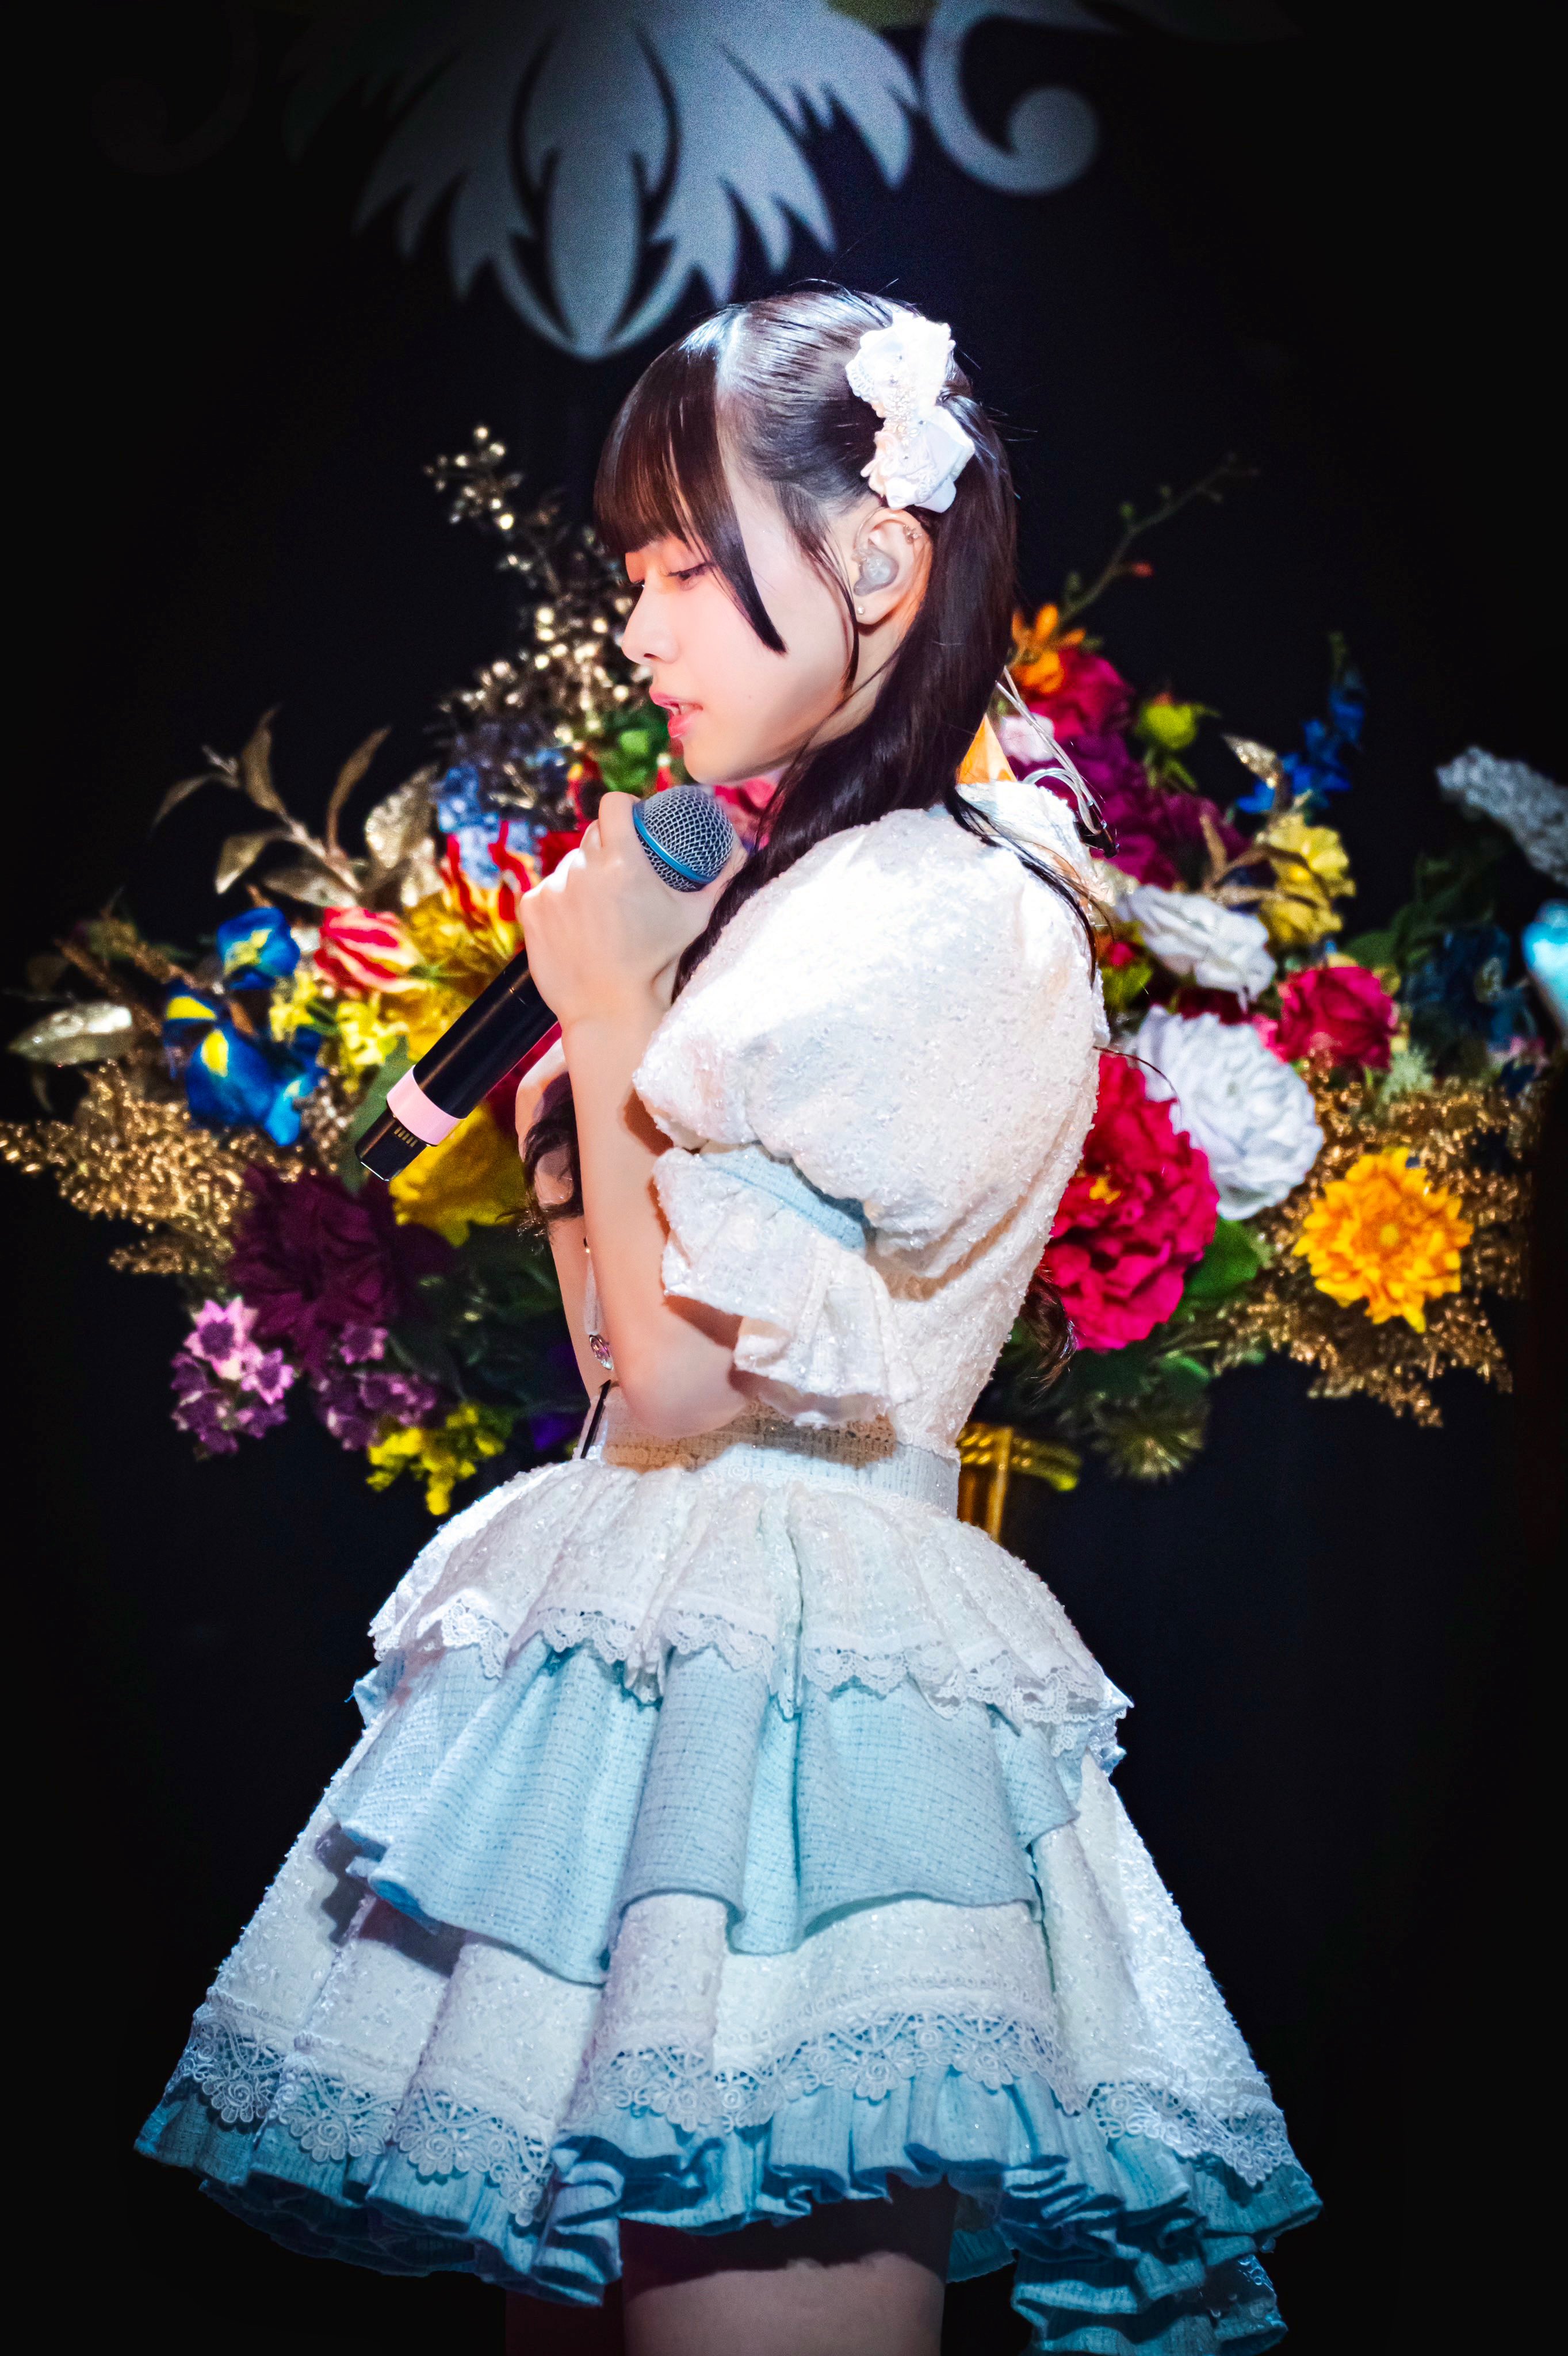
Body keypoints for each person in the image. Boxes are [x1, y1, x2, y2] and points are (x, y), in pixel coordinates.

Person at [139, 286, 1317, 2354]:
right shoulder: (798, 892)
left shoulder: (957, 909)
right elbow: (630, 1374)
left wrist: (610, 1016)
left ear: (877, 562)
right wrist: (583, 1108)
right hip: (661, 1646)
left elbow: (694, 1382)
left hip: (805, 1705)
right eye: (635, 577)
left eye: (688, 568)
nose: (643, 630)